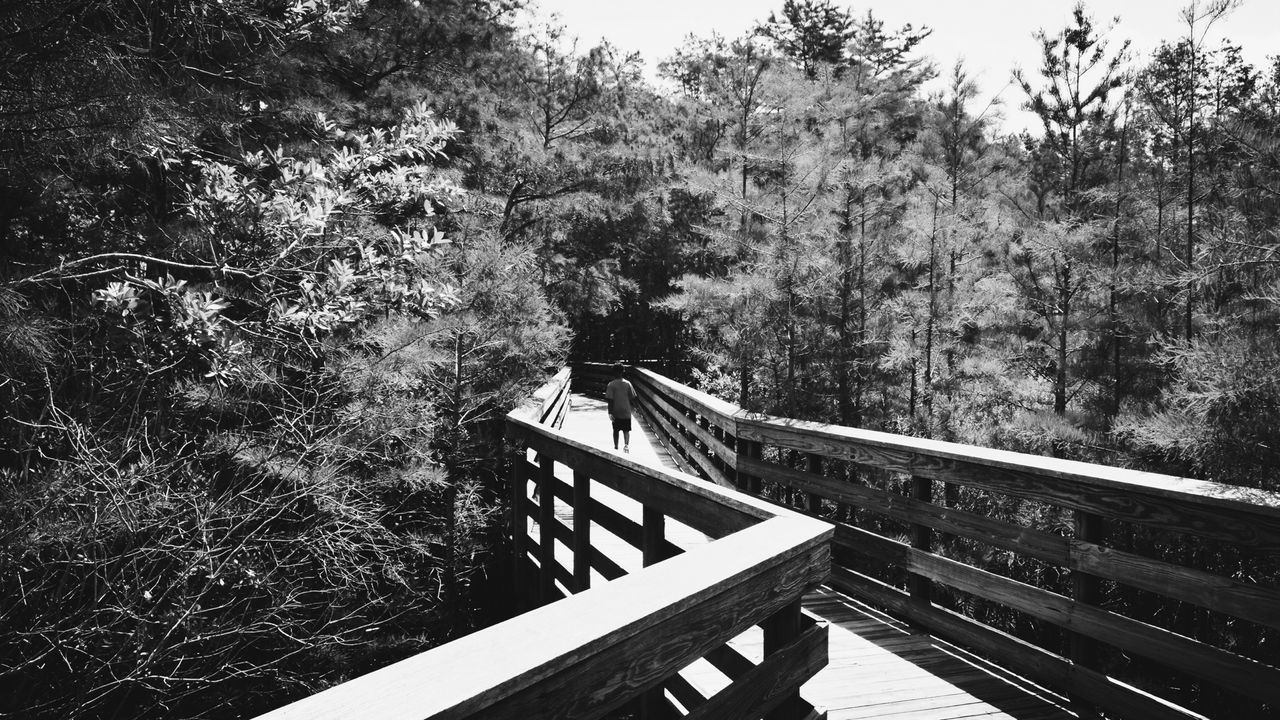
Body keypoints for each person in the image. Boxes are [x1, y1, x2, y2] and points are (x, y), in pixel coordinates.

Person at [604, 363, 637, 452]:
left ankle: (616, 447)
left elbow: (610, 400)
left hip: (616, 411)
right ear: (623, 372)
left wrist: (610, 412)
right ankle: (626, 445)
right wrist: (635, 408)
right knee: (626, 430)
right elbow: (633, 397)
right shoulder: (628, 383)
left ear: (613, 373)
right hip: (626, 411)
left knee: (616, 430)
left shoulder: (611, 385)